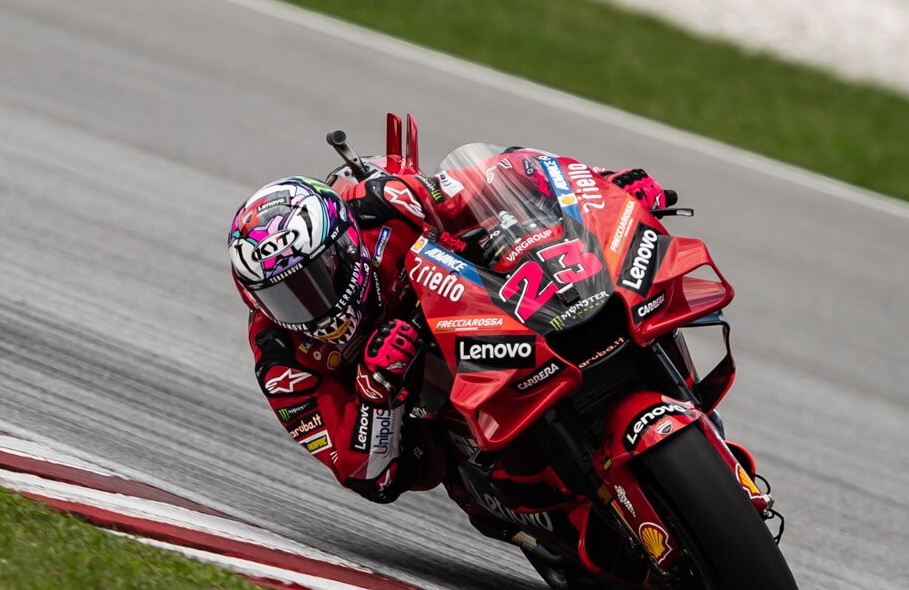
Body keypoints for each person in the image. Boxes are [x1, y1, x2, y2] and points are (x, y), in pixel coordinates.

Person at [228, 145, 672, 534]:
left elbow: (501, 176)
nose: (310, 304)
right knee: (435, 463)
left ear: (344, 245)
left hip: (489, 308)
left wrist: (604, 188)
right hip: (435, 409)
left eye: (316, 278)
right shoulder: (281, 361)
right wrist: (375, 391)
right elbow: (368, 478)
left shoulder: (382, 207)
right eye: (285, 298)